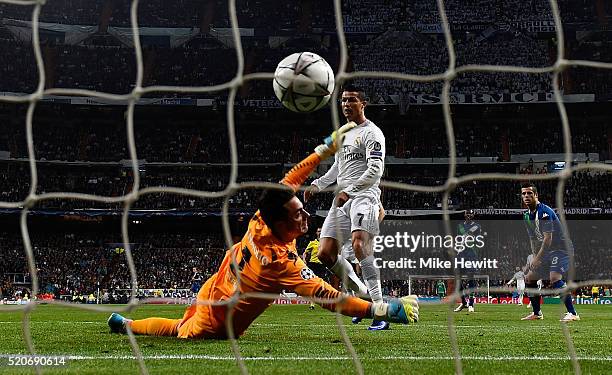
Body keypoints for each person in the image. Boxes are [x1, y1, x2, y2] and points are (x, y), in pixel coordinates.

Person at [108, 124, 419, 339]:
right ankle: (130, 325)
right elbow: (330, 298)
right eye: (299, 215)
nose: (305, 216)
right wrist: (387, 309)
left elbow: (293, 176)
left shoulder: (264, 215)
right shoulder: (282, 263)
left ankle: (125, 323)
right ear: (283, 225)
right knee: (178, 330)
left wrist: (325, 148)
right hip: (215, 321)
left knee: (179, 323)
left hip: (215, 286)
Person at [304, 85, 388, 330]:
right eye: (342, 100)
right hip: (341, 199)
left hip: (365, 196)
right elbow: (337, 168)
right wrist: (319, 184)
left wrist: (349, 191)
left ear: (363, 104)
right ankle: (362, 297)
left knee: (360, 245)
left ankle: (380, 311)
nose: (346, 104)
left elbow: (375, 170)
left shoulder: (373, 133)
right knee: (325, 254)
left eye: (351, 100)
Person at [520, 183, 579, 322]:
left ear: (536, 195)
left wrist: (538, 258)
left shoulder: (544, 213)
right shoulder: (526, 215)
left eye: (529, 193)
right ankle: (537, 313)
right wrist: (534, 258)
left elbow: (547, 240)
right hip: (548, 251)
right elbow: (533, 238)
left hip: (562, 249)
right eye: (524, 194)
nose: (526, 196)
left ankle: (573, 313)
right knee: (529, 278)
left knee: (554, 278)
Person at [302, 227, 338, 309]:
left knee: (324, 284)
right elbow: (305, 253)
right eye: (318, 231)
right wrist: (304, 260)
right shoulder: (312, 243)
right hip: (313, 265)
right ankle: (312, 304)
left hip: (322, 265)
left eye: (321, 231)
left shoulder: (326, 243)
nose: (320, 232)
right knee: (312, 284)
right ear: (316, 233)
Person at [454, 209, 481, 313]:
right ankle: (463, 302)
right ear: (464, 215)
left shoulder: (477, 226)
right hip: (461, 254)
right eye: (467, 213)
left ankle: (471, 303)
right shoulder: (459, 226)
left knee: (471, 278)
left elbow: (469, 234)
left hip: (471, 254)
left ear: (473, 215)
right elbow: (458, 239)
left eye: (471, 213)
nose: (469, 215)